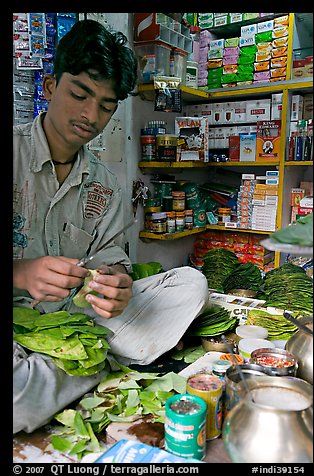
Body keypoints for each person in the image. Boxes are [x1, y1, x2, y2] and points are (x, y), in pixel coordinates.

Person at [13, 19, 209, 434]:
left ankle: (75, 367)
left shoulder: (105, 184)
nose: (90, 114)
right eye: (80, 94)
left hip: (81, 320)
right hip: (19, 325)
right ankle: (93, 363)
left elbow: (111, 260)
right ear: (49, 87)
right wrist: (21, 272)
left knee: (190, 285)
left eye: (106, 105)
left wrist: (116, 284)